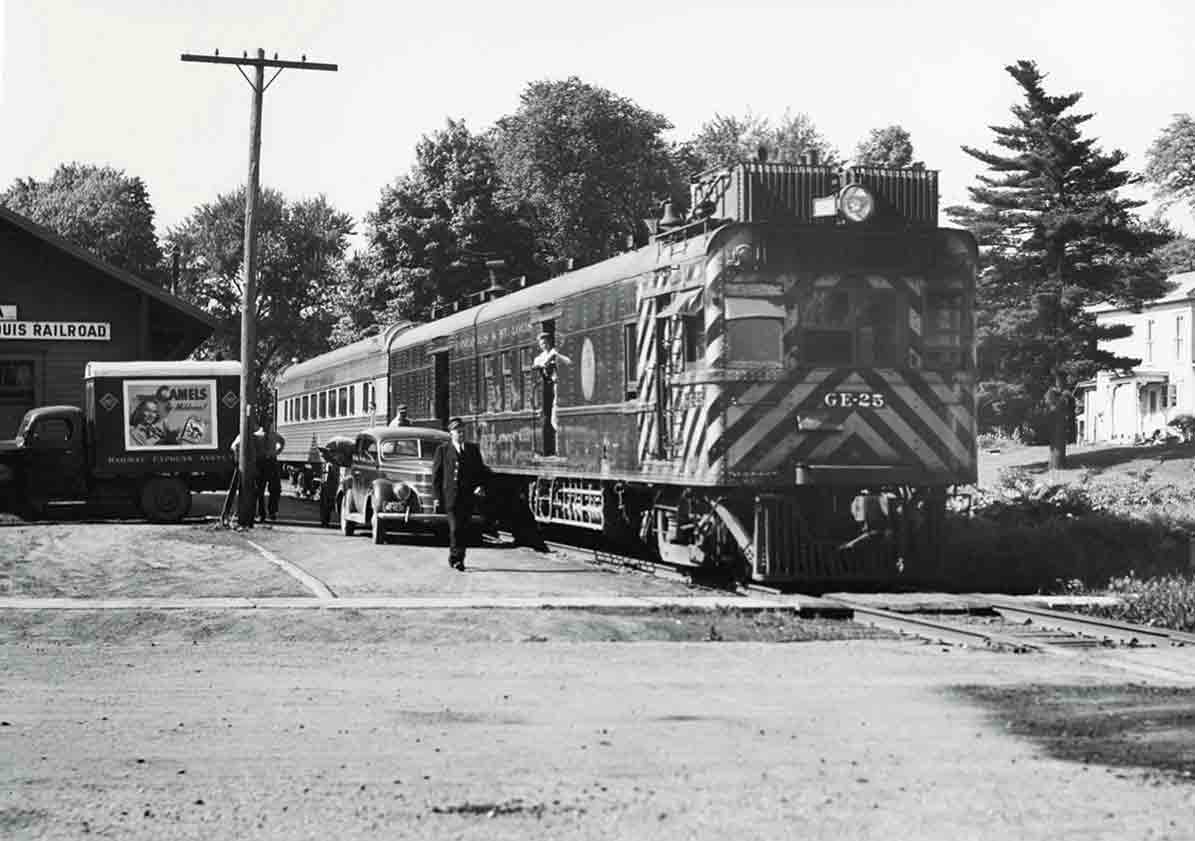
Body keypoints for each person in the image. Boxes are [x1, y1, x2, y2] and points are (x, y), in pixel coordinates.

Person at [432, 417, 492, 571]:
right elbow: (437, 476)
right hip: (451, 497)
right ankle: (457, 558)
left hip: (467, 497)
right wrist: (437, 497)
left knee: (464, 529)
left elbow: (480, 471)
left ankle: (457, 557)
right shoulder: (443, 450)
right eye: (457, 432)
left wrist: (479, 486)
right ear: (451, 433)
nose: (460, 434)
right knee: (455, 528)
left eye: (462, 432)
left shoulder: (472, 449)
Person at [531, 332, 571, 456]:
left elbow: (569, 362)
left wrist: (556, 354)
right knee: (545, 417)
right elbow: (540, 365)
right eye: (542, 343)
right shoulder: (539, 357)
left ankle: (558, 447)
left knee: (554, 417)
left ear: (549, 342)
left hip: (555, 387)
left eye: (546, 342)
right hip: (544, 391)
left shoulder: (555, 353)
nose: (544, 345)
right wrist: (550, 358)